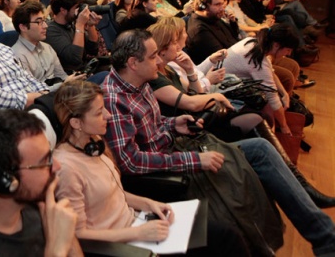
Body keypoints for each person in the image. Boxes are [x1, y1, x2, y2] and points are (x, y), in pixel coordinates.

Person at [103, 29, 335, 256]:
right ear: (133, 63)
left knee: (261, 149)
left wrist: (174, 123)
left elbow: (153, 125)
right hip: (164, 172)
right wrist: (195, 160)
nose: (158, 60)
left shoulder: (139, 83)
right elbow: (131, 162)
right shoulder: (115, 100)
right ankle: (318, 237)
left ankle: (324, 236)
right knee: (243, 178)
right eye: (153, 56)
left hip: (177, 147)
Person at [53, 80, 250, 256]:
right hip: (123, 245)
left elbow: (114, 193)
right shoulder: (67, 168)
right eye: (98, 112)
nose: (108, 114)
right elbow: (79, 234)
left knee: (226, 235)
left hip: (137, 224)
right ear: (76, 123)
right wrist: (138, 232)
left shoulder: (94, 142)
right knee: (224, 241)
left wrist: (149, 204)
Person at [0, 109, 81, 257]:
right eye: (44, 161)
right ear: (6, 181)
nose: (57, 166)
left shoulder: (37, 198)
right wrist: (57, 250)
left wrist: (67, 238)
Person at [147, 20, 263, 140]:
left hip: (197, 117)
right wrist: (217, 96)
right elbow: (191, 103)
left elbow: (197, 92)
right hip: (190, 127)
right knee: (258, 138)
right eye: (174, 42)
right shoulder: (155, 77)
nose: (178, 47)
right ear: (163, 50)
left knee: (253, 115)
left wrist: (189, 70)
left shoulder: (168, 68)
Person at [12, 1, 82, 90]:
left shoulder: (47, 47)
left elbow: (61, 75)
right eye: (39, 22)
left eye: (44, 21)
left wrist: (73, 80)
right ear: (23, 27)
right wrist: (64, 84)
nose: (45, 26)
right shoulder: (16, 55)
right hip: (42, 99)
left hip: (60, 92)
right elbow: (32, 91)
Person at [45, 0, 99, 74]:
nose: (78, 11)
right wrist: (80, 25)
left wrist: (91, 26)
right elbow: (75, 58)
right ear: (63, 10)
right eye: (75, 8)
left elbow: (93, 49)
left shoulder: (72, 24)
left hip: (85, 70)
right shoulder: (50, 30)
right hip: (70, 77)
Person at [186, 0, 240, 64]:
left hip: (234, 58)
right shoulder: (199, 29)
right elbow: (222, 57)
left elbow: (233, 37)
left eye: (222, 3)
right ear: (204, 6)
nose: (222, 8)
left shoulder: (213, 17)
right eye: (217, 4)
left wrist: (232, 22)